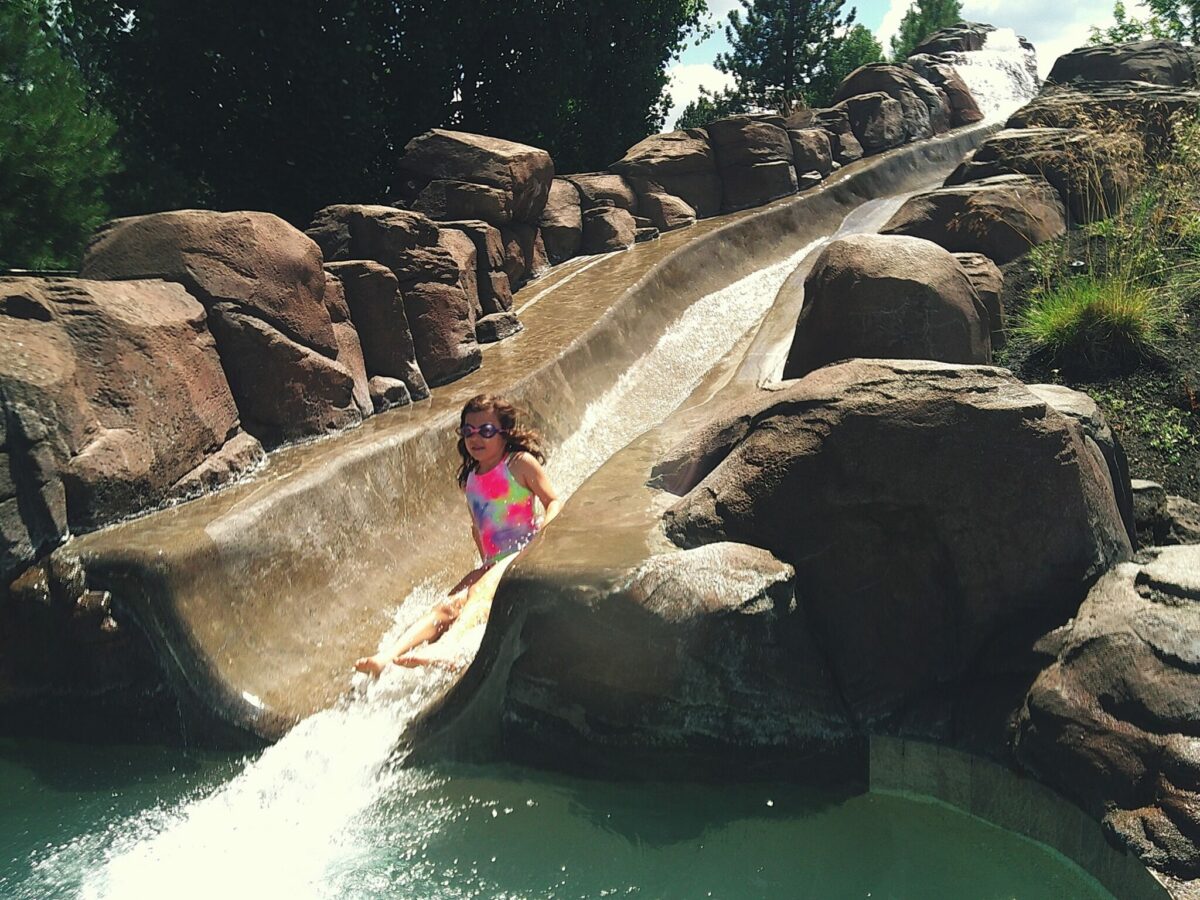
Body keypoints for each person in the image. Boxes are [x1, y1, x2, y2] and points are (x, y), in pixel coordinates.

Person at [354, 394, 561, 674]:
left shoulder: (518, 463)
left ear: (504, 433)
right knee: (447, 606)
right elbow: (479, 530)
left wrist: (543, 540)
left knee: (479, 592)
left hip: (522, 554)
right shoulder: (471, 479)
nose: (476, 438)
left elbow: (553, 501)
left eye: (486, 431)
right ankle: (387, 656)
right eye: (468, 431)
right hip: (494, 561)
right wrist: (485, 565)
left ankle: (446, 647)